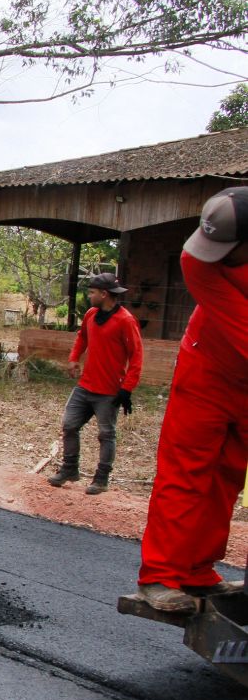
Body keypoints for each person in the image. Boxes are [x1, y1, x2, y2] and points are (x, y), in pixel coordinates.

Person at [134, 187, 248, 613]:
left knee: (228, 476)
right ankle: (161, 574)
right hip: (207, 375)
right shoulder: (197, 259)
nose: (213, 254)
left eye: (229, 249)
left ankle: (198, 570)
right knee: (185, 473)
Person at [47, 273, 143, 495]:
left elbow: (136, 356)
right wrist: (74, 358)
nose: (89, 296)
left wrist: (127, 389)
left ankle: (101, 479)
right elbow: (82, 337)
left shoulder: (126, 321)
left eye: (91, 292)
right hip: (85, 385)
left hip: (109, 391)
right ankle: (70, 469)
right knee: (69, 424)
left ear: (104, 294)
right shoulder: (91, 314)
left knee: (106, 434)